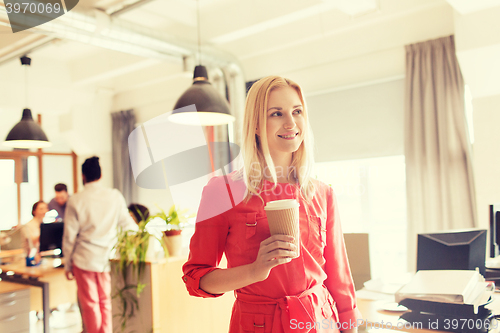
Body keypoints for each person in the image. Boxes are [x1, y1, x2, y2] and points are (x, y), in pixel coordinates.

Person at [182, 76, 361, 333]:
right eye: (276, 113)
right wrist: (255, 270)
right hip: (257, 325)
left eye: (297, 111)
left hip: (321, 322)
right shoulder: (222, 192)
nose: (290, 123)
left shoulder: (322, 193)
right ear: (255, 124)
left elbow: (340, 278)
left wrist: (350, 326)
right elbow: (196, 279)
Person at [63, 156, 137, 333]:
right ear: (101, 174)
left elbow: (69, 237)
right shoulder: (114, 196)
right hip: (107, 258)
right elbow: (129, 226)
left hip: (84, 259)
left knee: (90, 304)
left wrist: (67, 264)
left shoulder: (76, 200)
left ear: (83, 176)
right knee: (106, 301)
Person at [21, 200, 48, 264]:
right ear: (34, 211)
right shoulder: (27, 226)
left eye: (45, 208)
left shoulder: (46, 225)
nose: (44, 211)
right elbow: (31, 242)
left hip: (43, 256)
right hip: (30, 258)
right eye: (41, 209)